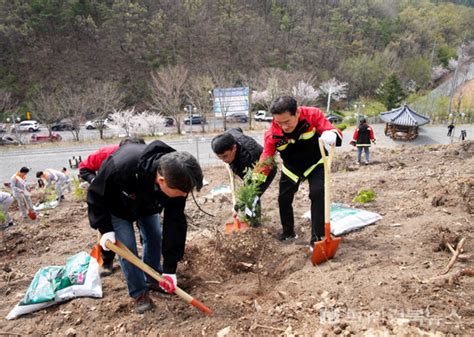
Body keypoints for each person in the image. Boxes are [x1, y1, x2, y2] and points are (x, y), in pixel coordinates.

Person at [87, 140, 203, 314]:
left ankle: (154, 276)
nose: (183, 197)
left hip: (147, 204)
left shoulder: (178, 176)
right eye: (180, 194)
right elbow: (96, 194)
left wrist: (170, 269)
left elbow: (175, 223)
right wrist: (105, 229)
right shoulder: (121, 166)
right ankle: (139, 292)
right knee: (128, 249)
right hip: (117, 207)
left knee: (155, 235)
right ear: (162, 181)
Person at [256, 96, 342, 250]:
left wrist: (332, 135)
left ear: (296, 113)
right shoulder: (272, 135)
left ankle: (317, 237)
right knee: (283, 198)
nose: (284, 126)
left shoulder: (312, 115)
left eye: (287, 121)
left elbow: (333, 131)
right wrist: (253, 187)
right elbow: (265, 161)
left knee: (318, 193)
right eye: (278, 122)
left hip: (316, 163)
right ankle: (288, 232)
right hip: (291, 168)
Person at [79, 137, 146, 277]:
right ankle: (107, 262)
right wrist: (96, 181)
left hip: (134, 194)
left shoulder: (142, 157)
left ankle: (142, 259)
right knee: (109, 231)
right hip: (109, 195)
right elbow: (83, 169)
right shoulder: (104, 153)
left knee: (146, 226)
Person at [211, 128, 277, 225]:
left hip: (265, 170)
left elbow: (251, 187)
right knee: (247, 198)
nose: (223, 160)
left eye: (225, 156)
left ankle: (254, 224)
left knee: (251, 197)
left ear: (234, 148)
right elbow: (238, 129)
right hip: (247, 169)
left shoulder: (247, 159)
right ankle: (248, 217)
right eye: (219, 157)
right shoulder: (230, 134)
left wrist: (239, 205)